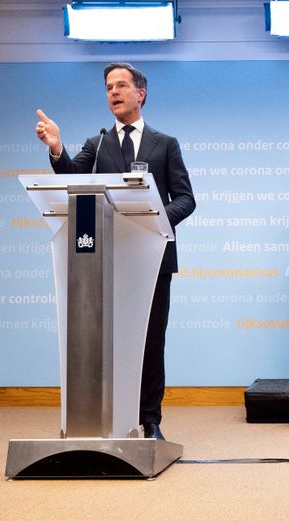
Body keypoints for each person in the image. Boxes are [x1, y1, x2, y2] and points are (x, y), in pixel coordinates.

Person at [34, 62, 196, 440]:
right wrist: (57, 148)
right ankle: (109, 417)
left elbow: (186, 199)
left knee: (150, 341)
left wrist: (152, 221)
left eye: (121, 85)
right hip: (106, 261)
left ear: (141, 93)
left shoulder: (165, 144)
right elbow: (72, 182)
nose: (114, 92)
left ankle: (150, 420)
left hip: (153, 259)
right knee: (112, 342)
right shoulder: (99, 143)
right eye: (108, 87)